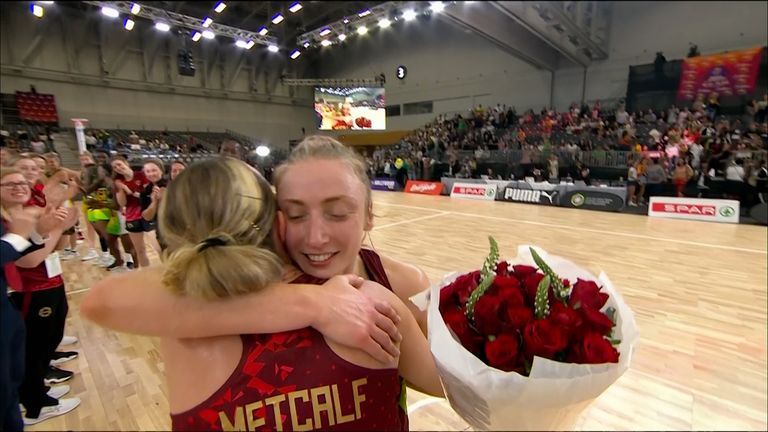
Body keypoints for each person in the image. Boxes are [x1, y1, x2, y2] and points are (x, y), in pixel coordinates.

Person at [85, 158, 439, 430]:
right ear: (279, 224)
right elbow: (455, 386)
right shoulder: (370, 301)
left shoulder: (181, 333)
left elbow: (102, 301)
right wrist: (313, 302)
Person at [1, 168, 81, 426]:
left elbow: (47, 246)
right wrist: (58, 228)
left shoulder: (26, 212)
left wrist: (54, 228)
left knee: (45, 342)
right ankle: (35, 404)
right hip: (31, 290)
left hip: (48, 281)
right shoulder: (11, 220)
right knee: (34, 349)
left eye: (23, 181)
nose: (21, 185)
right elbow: (30, 259)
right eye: (10, 182)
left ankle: (37, 390)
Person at [111, 156, 151, 268]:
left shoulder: (141, 175)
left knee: (158, 247)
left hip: (149, 214)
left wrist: (129, 190)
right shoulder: (119, 183)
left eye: (119, 164)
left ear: (126, 163)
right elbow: (123, 203)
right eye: (115, 167)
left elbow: (147, 196)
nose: (118, 168)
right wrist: (121, 190)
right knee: (140, 250)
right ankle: (146, 275)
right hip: (132, 216)